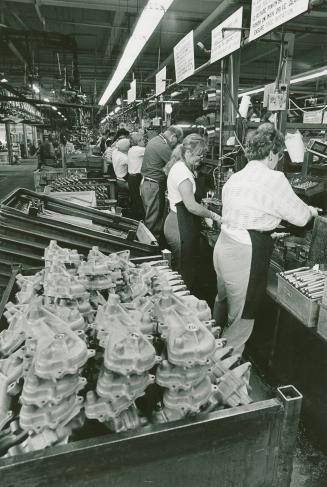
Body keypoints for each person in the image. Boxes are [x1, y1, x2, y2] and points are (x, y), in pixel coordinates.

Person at [213, 123, 319, 354]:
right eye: (279, 155)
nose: (279, 160)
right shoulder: (274, 178)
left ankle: (209, 345)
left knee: (223, 303)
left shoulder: (236, 178)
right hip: (246, 250)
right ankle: (224, 375)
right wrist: (311, 211)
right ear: (272, 153)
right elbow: (300, 218)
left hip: (224, 245)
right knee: (242, 318)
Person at [164, 133, 221, 292]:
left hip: (178, 221)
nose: (201, 159)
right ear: (188, 153)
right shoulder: (183, 173)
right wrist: (214, 216)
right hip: (180, 226)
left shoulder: (181, 167)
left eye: (203, 155)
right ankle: (183, 305)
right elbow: (191, 206)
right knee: (185, 272)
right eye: (199, 155)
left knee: (183, 269)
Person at [140, 126, 183, 240]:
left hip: (147, 183)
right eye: (176, 141)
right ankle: (152, 248)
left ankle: (150, 244)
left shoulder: (154, 140)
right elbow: (176, 165)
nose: (174, 144)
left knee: (151, 217)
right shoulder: (162, 146)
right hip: (153, 186)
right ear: (173, 136)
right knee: (153, 220)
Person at [128, 132, 145, 220]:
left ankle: (135, 218)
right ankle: (139, 219)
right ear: (139, 141)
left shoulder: (132, 149)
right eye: (143, 140)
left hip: (131, 177)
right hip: (136, 177)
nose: (144, 142)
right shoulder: (139, 150)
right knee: (139, 199)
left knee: (135, 198)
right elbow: (152, 151)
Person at [112, 138, 130, 203]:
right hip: (123, 182)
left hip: (118, 179)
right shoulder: (125, 158)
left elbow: (114, 147)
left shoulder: (115, 152)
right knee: (137, 190)